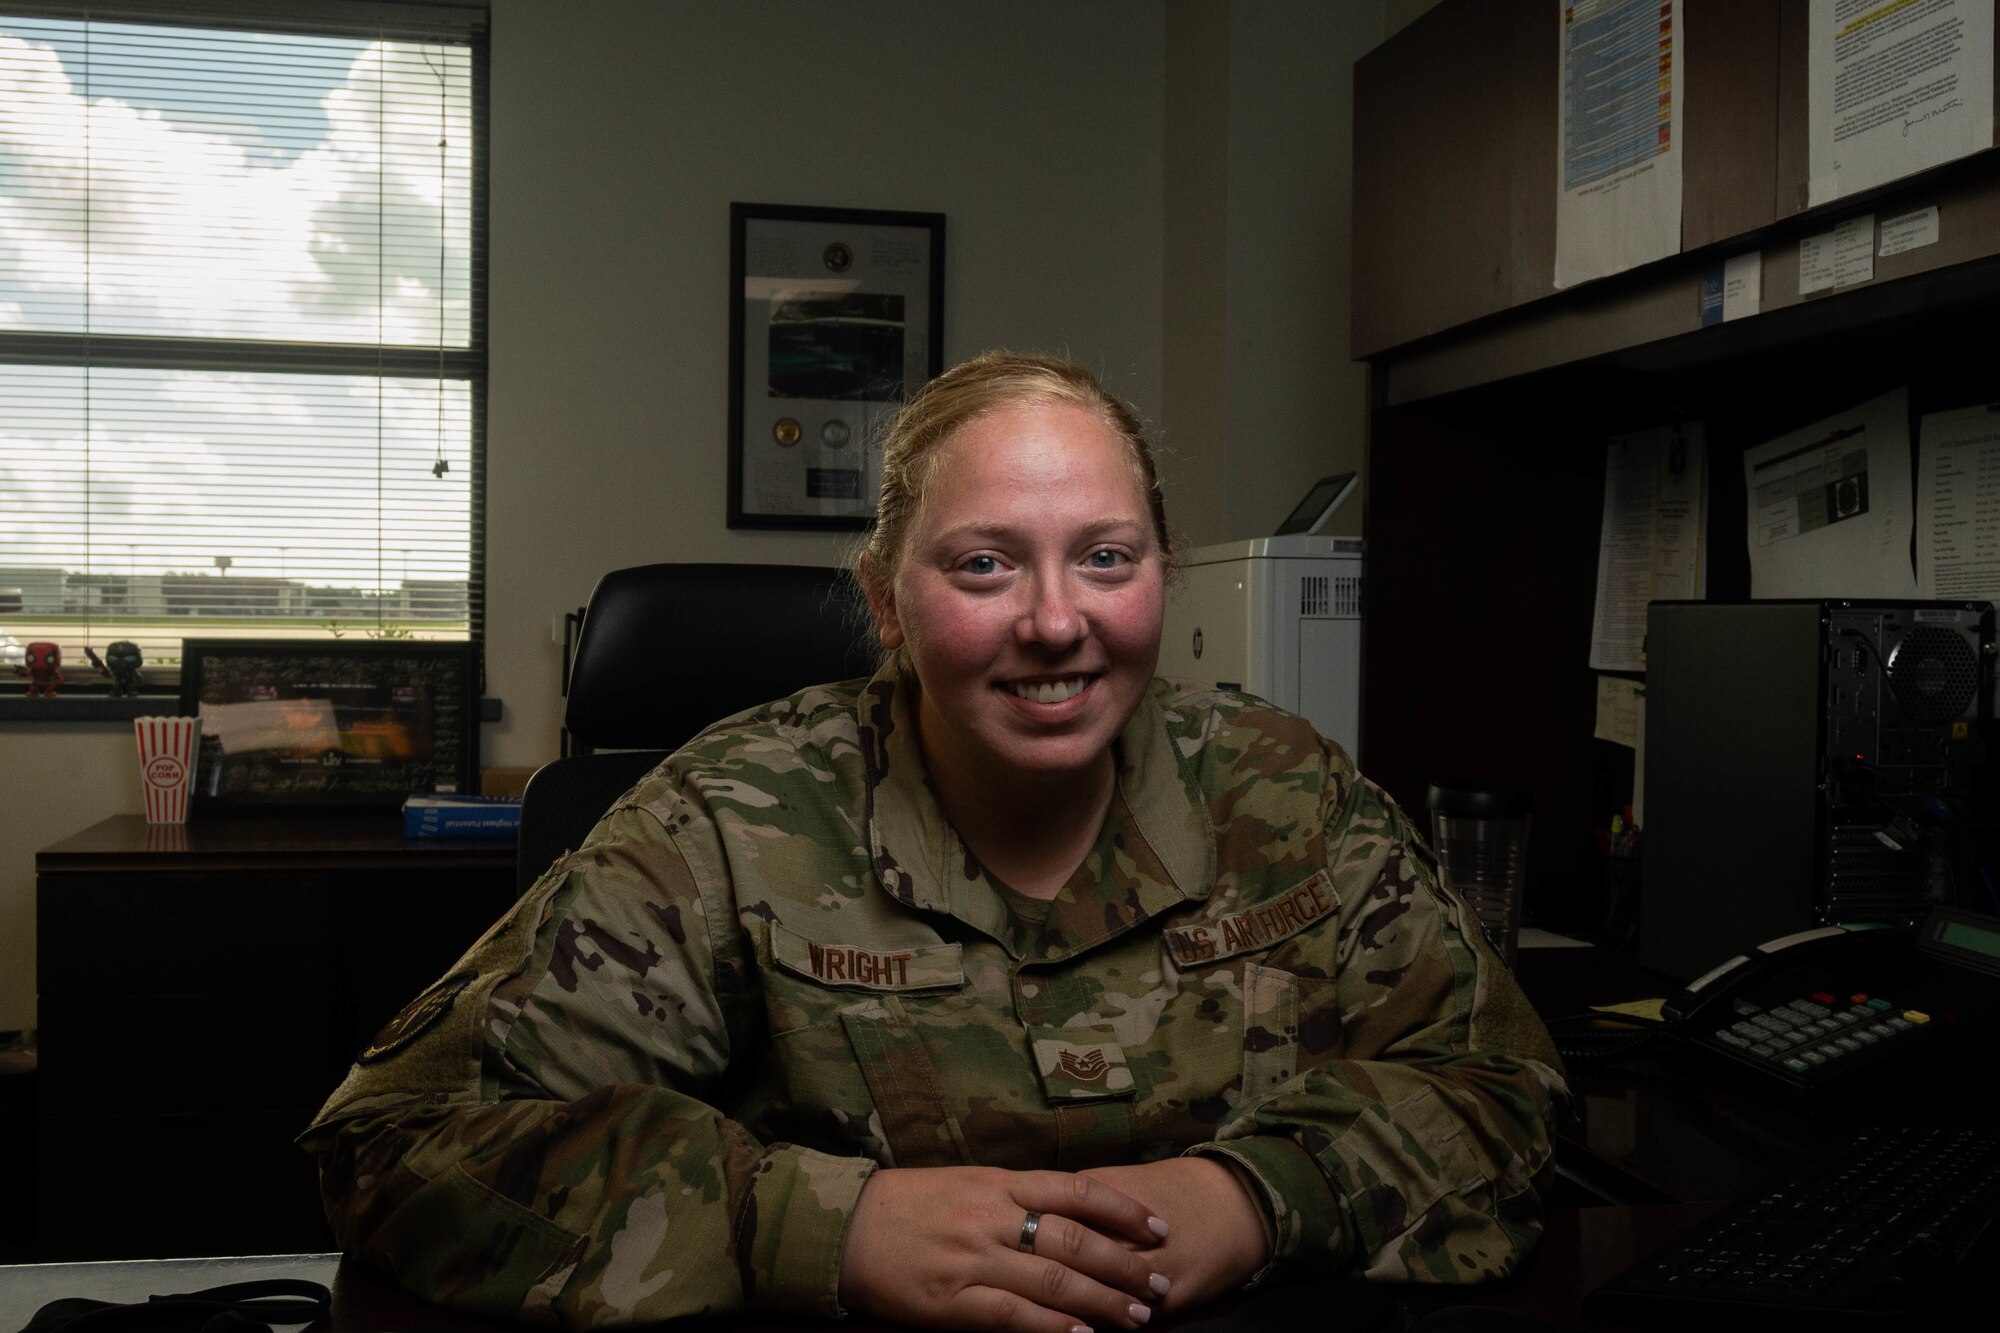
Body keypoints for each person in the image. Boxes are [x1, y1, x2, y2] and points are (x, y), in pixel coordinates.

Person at [303, 352, 1569, 1331]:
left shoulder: (1283, 790)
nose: (1055, 620)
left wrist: (1255, 1199)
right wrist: (822, 1230)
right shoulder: (734, 819)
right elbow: (399, 1141)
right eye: (982, 565)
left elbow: (1502, 1092)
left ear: (1160, 576)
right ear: (885, 600)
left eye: (1106, 558)